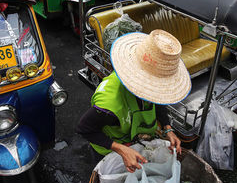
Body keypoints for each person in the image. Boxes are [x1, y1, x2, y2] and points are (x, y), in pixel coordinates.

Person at [76, 29, 191, 172]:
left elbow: (158, 104)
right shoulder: (110, 104)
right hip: (108, 148)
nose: (157, 94)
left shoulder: (151, 93)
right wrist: (121, 150)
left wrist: (168, 129)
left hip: (133, 140)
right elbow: (84, 128)